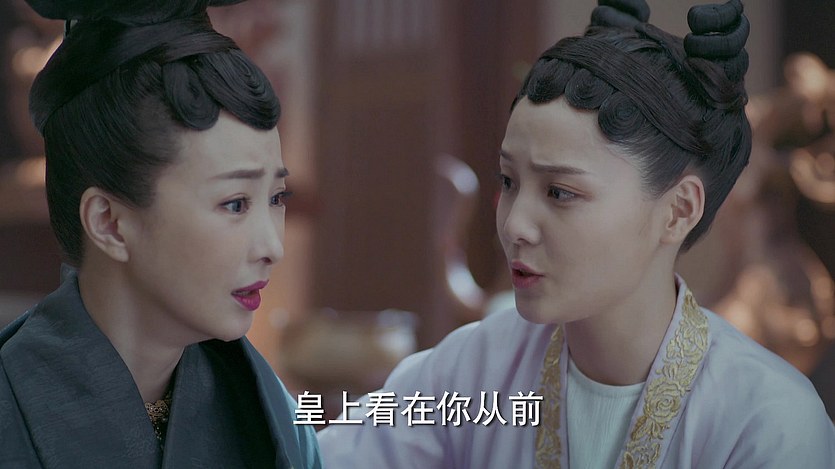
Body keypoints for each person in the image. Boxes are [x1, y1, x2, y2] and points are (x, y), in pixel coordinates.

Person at [317, 0, 835, 467]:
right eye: (508, 181)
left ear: (678, 211)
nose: (514, 225)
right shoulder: (475, 369)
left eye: (560, 192)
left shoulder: (768, 423)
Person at [0, 0, 321, 467]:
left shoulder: (273, 416)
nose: (273, 247)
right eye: (234, 203)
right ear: (109, 223)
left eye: (276, 198)